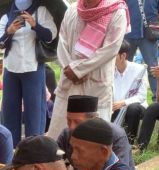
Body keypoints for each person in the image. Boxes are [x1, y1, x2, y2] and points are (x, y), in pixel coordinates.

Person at [47, 0, 129, 139]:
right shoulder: (73, 10)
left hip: (96, 83)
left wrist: (79, 70)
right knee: (58, 135)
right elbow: (62, 42)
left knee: (95, 138)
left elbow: (111, 49)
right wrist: (70, 68)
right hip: (69, 80)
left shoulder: (117, 12)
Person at [0, 0, 56, 145]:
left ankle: (34, 148)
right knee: (9, 109)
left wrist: (35, 25)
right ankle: (10, 147)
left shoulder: (41, 11)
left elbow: (50, 36)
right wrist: (9, 32)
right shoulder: (7, 15)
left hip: (33, 66)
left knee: (34, 110)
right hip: (11, 68)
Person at [57, 95, 135, 170]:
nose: (71, 127)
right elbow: (54, 160)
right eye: (69, 121)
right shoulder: (67, 134)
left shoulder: (114, 135)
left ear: (93, 120)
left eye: (77, 122)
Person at [123, 0, 159, 100]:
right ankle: (124, 97)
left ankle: (157, 99)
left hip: (149, 35)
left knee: (153, 67)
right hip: (128, 34)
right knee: (124, 67)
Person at [112, 39, 148, 142]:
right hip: (115, 107)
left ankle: (129, 141)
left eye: (112, 55)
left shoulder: (139, 69)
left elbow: (141, 96)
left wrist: (123, 103)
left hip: (136, 106)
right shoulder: (109, 71)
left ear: (123, 56)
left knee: (133, 108)